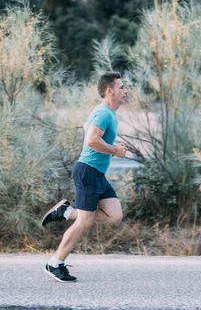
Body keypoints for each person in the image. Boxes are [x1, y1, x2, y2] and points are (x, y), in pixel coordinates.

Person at [41, 71, 128, 282]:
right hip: (87, 171)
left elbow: (87, 128)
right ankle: (55, 263)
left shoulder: (106, 113)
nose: (125, 91)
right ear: (110, 91)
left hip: (97, 174)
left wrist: (93, 132)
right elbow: (91, 139)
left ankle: (66, 211)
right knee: (84, 222)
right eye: (121, 87)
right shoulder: (104, 113)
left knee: (115, 215)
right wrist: (114, 150)